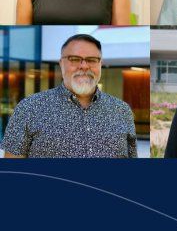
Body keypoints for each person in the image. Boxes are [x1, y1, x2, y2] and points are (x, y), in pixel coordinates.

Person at [1, 34, 137, 158]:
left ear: (100, 64)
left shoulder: (122, 111)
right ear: (61, 63)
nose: (84, 66)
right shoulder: (29, 108)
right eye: (74, 59)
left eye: (92, 60)